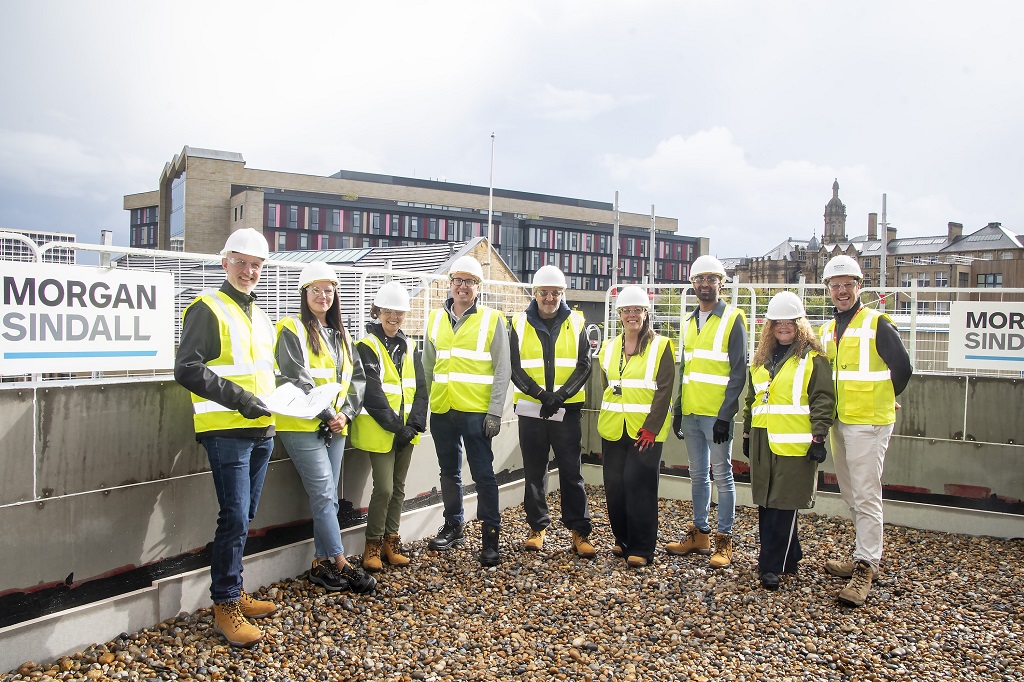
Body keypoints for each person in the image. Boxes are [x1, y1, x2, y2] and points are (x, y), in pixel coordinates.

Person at [174, 228, 279, 648]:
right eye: (241, 262)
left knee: (245, 516)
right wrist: (239, 399)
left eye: (255, 265)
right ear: (224, 262)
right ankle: (224, 605)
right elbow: (187, 368)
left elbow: (264, 371)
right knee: (234, 516)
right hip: (226, 430)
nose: (248, 271)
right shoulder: (207, 307)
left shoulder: (260, 314)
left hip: (262, 429)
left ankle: (233, 590)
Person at [274, 262, 376, 596]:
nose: (323, 296)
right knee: (324, 492)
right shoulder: (290, 327)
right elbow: (295, 375)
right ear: (304, 294)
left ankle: (319, 565)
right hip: (302, 425)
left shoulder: (341, 335)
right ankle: (342, 563)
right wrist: (330, 413)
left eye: (328, 290)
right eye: (315, 290)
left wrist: (345, 414)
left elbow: (356, 380)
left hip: (335, 427)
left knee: (328, 497)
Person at [819, 255, 913, 607]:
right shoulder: (829, 330)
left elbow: (902, 368)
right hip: (842, 422)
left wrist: (887, 397)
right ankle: (862, 553)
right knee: (850, 492)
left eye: (848, 285)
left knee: (866, 493)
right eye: (836, 285)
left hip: (869, 422)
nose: (842, 291)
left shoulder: (876, 323)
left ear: (859, 286)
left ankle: (866, 566)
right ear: (828, 289)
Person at [742, 292, 835, 591]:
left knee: (783, 507)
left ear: (800, 324)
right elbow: (752, 399)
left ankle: (770, 565)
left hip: (796, 443)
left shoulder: (813, 358)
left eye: (790, 322)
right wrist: (746, 432)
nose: (784, 327)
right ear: (769, 325)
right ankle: (790, 555)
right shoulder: (761, 358)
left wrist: (819, 436)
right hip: (763, 440)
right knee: (768, 503)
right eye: (777, 322)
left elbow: (823, 398)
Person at [423, 255, 512, 566]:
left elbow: (503, 369)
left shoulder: (492, 320)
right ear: (450, 284)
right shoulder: (435, 319)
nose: (462, 286)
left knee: (484, 475)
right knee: (449, 471)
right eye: (457, 280)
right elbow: (427, 367)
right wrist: (424, 407)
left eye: (469, 282)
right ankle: (453, 525)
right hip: (443, 409)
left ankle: (491, 537)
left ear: (478, 287)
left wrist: (495, 412)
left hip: (476, 413)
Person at [666, 255, 748, 568]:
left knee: (723, 475)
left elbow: (739, 371)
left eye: (711, 279)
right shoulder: (688, 322)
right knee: (698, 475)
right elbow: (686, 368)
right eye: (699, 279)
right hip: (691, 411)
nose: (704, 284)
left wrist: (726, 415)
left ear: (720, 283)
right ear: (693, 284)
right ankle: (700, 533)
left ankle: (724, 540)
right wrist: (678, 408)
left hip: (716, 414)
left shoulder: (732, 318)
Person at [509, 265, 595, 557]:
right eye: (544, 292)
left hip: (565, 410)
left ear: (562, 294)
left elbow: (584, 365)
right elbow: (514, 367)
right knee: (534, 471)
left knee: (572, 472)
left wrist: (560, 396)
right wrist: (541, 395)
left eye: (555, 292)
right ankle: (537, 528)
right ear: (535, 293)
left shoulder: (578, 322)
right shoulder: (518, 323)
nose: (549, 297)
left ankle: (579, 532)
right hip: (532, 408)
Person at [351, 281, 428, 572]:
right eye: (388, 312)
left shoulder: (409, 346)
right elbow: (372, 393)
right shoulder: (366, 346)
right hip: (382, 429)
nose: (394, 318)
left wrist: (417, 422)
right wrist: (398, 427)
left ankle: (391, 542)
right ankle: (371, 545)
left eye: (399, 313)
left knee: (398, 488)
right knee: (383, 488)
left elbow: (420, 387)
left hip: (406, 430)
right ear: (377, 312)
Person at [597, 285, 676, 568]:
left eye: (637, 310)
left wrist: (652, 427)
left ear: (646, 313)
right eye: (626, 310)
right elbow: (609, 385)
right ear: (619, 314)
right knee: (615, 487)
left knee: (639, 486)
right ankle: (623, 539)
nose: (632, 315)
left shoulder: (661, 346)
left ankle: (642, 547)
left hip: (646, 433)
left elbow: (665, 389)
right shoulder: (609, 347)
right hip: (614, 428)